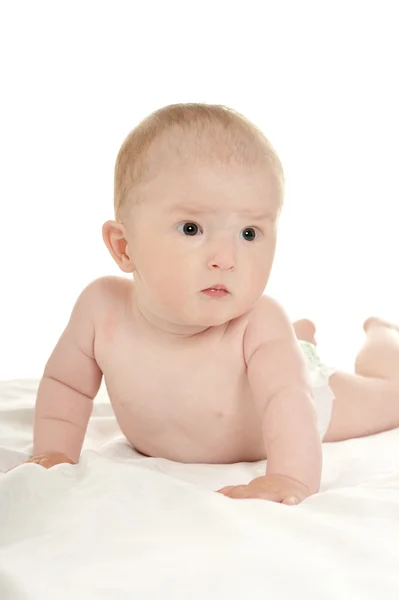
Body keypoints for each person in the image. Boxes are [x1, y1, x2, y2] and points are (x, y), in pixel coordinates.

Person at [25, 103, 399, 505]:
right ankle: (301, 337)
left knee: (389, 398)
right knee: (287, 350)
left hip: (307, 389)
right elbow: (66, 386)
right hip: (273, 359)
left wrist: (290, 477)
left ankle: (381, 335)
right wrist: (55, 452)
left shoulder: (258, 323)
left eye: (250, 233)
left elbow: (289, 402)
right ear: (124, 246)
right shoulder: (101, 310)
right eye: (192, 228)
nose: (226, 258)